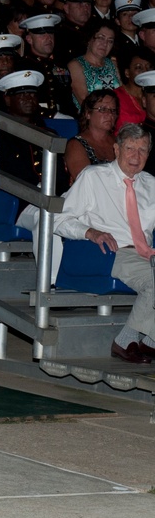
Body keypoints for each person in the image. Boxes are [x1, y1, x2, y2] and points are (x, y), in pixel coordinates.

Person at [53, 123, 155, 364]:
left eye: (142, 150)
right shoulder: (93, 177)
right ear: (116, 150)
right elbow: (58, 220)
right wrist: (89, 231)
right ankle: (127, 340)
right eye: (130, 148)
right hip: (112, 252)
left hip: (148, 254)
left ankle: (149, 342)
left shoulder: (151, 183)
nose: (136, 156)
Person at [64, 89, 118, 184]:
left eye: (113, 110)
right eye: (103, 109)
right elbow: (85, 182)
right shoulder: (76, 145)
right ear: (88, 113)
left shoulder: (119, 142)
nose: (110, 114)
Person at [68, 21, 121, 111]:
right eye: (101, 38)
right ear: (89, 39)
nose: (105, 44)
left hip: (117, 115)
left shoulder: (113, 64)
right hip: (91, 119)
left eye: (110, 41)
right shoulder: (76, 65)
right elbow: (84, 100)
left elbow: (123, 96)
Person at [115, 49, 153, 130]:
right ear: (127, 73)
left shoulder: (151, 95)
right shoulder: (115, 97)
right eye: (139, 67)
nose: (145, 71)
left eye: (149, 67)